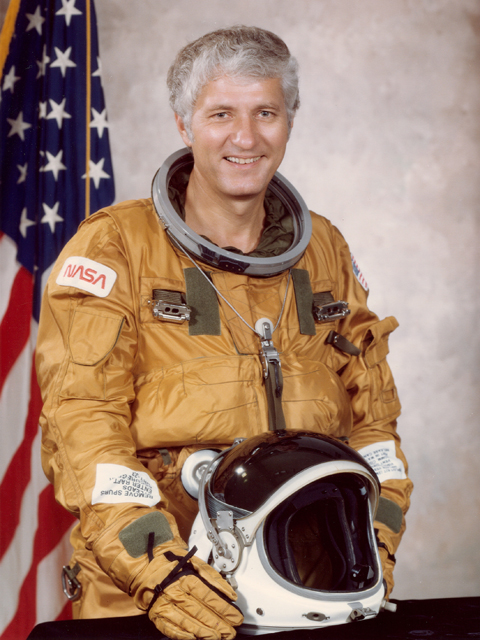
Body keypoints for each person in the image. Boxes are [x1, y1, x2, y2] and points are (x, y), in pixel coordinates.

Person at [36, 26, 413, 640]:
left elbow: (375, 423)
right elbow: (83, 420)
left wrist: (371, 538)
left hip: (310, 584)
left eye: (265, 112)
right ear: (184, 124)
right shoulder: (116, 247)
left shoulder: (324, 250)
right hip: (156, 591)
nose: (245, 137)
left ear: (288, 122)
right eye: (221, 114)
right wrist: (157, 568)